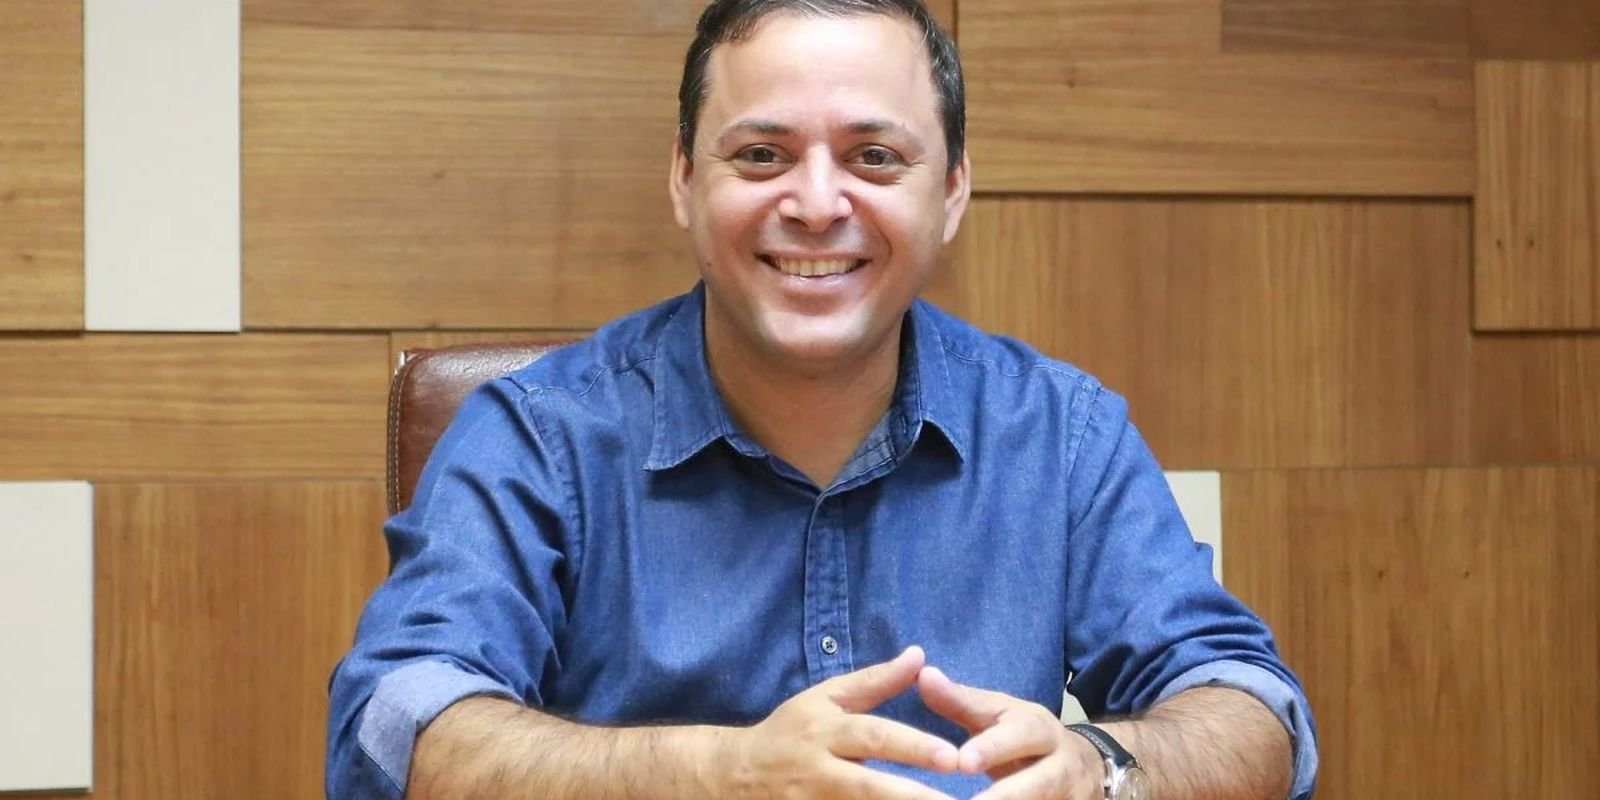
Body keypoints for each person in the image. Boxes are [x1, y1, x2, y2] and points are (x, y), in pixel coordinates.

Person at [326, 1, 1318, 798]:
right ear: (684, 179)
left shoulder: (1062, 433)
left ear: (952, 191)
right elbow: (394, 725)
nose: (813, 204)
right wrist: (714, 774)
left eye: (874, 156)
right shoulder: (537, 437)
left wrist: (1099, 770)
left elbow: (1253, 712)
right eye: (761, 154)